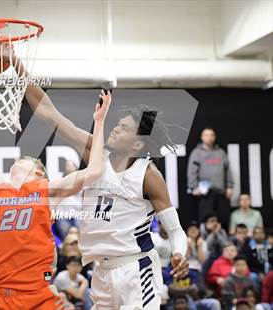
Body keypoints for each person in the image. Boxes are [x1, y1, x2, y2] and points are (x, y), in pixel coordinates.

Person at [22, 61, 189, 309]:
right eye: (117, 124)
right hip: (100, 272)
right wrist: (17, 67)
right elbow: (50, 115)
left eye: (123, 129)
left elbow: (175, 229)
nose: (115, 129)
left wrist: (179, 253)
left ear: (137, 145)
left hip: (135, 268)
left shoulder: (148, 175)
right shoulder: (96, 153)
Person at [0, 74, 109, 309]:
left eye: (25, 160)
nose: (17, 160)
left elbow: (95, 170)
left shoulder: (47, 191)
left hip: (36, 296)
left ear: (40, 173)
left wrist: (99, 124)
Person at [187, 127, 233, 229]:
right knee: (206, 219)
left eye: (212, 135)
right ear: (202, 137)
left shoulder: (221, 152)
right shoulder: (197, 153)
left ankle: (223, 241)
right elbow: (192, 172)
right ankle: (205, 242)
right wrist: (193, 187)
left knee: (223, 219)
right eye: (207, 135)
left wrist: (229, 186)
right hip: (205, 192)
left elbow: (227, 170)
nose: (210, 138)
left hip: (220, 191)